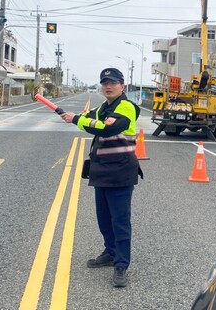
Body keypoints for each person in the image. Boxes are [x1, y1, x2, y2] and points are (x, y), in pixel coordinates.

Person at [60, 67, 141, 288]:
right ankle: (110, 252)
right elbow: (89, 117)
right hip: (101, 171)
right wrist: (73, 117)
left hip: (121, 172)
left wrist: (76, 119)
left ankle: (121, 265)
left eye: (113, 82)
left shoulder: (126, 107)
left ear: (122, 86)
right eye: (105, 82)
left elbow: (104, 129)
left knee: (120, 221)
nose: (108, 86)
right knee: (104, 219)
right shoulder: (104, 107)